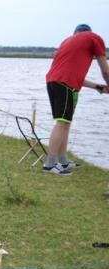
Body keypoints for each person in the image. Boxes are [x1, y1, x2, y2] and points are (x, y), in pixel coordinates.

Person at [43, 24, 109, 176]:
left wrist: (97, 87)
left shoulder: (67, 42)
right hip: (65, 84)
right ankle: (50, 165)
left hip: (54, 82)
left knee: (65, 122)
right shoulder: (94, 38)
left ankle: (63, 160)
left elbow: (74, 74)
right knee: (61, 123)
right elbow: (105, 70)